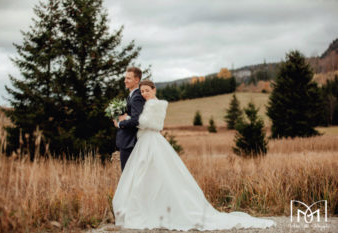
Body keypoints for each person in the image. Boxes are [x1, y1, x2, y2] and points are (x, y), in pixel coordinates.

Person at [112, 80, 276, 231]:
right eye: (142, 91)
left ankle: (160, 209)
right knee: (147, 175)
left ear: (154, 90)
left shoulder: (156, 104)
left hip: (152, 141)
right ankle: (146, 207)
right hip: (145, 142)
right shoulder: (146, 104)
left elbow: (150, 123)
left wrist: (126, 119)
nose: (144, 93)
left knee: (161, 174)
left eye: (147, 90)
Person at [113, 67, 145, 171]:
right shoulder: (131, 96)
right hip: (127, 142)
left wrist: (119, 124)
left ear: (137, 80)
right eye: (125, 78)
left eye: (128, 78)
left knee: (127, 176)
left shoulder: (136, 97)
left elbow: (136, 120)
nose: (125, 80)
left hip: (129, 142)